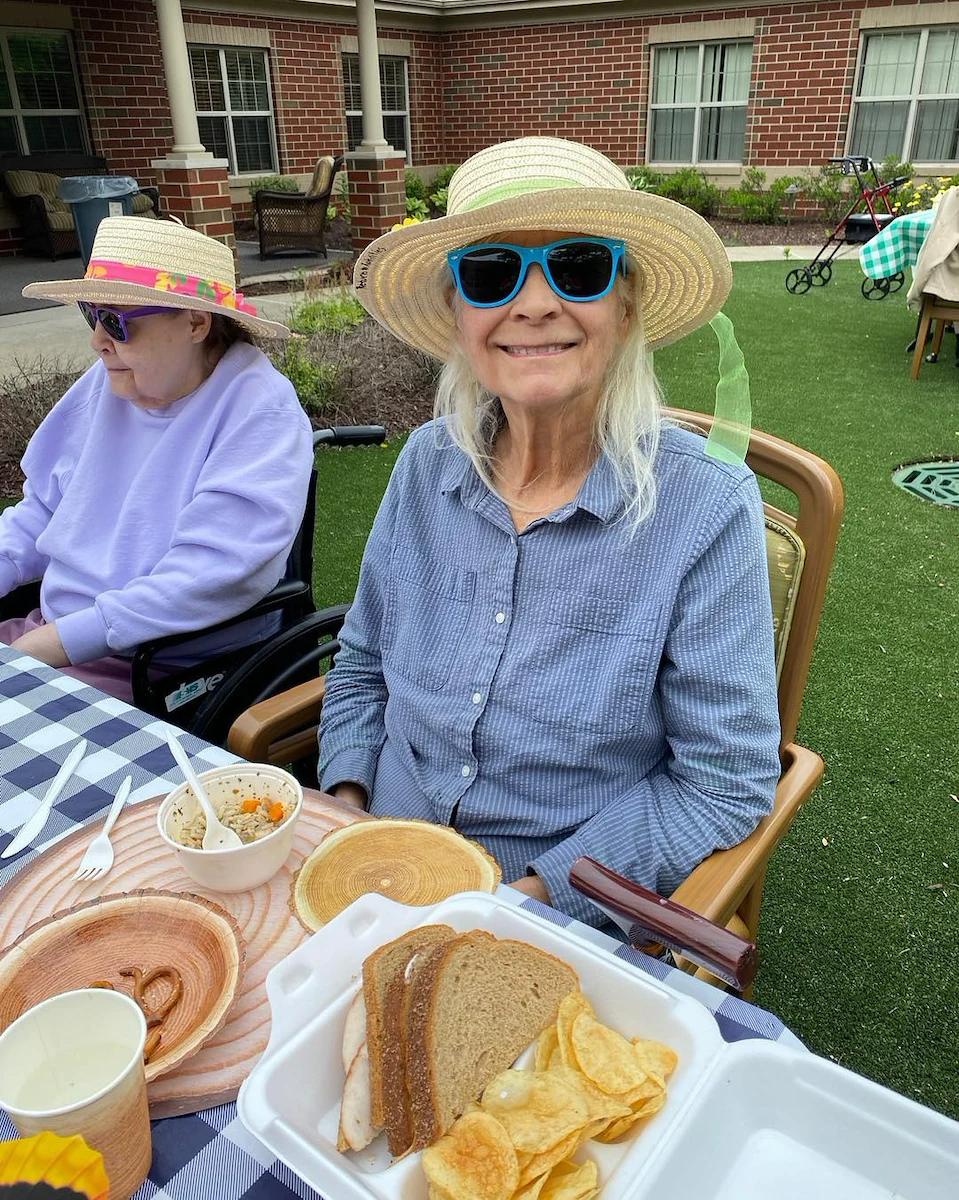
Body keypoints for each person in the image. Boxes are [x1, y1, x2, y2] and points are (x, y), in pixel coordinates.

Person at [318, 137, 781, 925]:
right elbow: (363, 664)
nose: (532, 303)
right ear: (458, 313)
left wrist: (519, 902)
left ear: (625, 307)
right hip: (379, 845)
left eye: (576, 267)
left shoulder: (705, 507)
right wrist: (349, 809)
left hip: (542, 892)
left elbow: (721, 780)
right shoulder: (423, 466)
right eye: (491, 272)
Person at [0, 216, 314, 703]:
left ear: (194, 322)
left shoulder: (257, 407)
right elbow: (40, 511)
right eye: (92, 314)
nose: (98, 341)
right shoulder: (107, 381)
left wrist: (50, 644)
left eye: (117, 322)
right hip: (59, 633)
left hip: (165, 661)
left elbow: (210, 574)